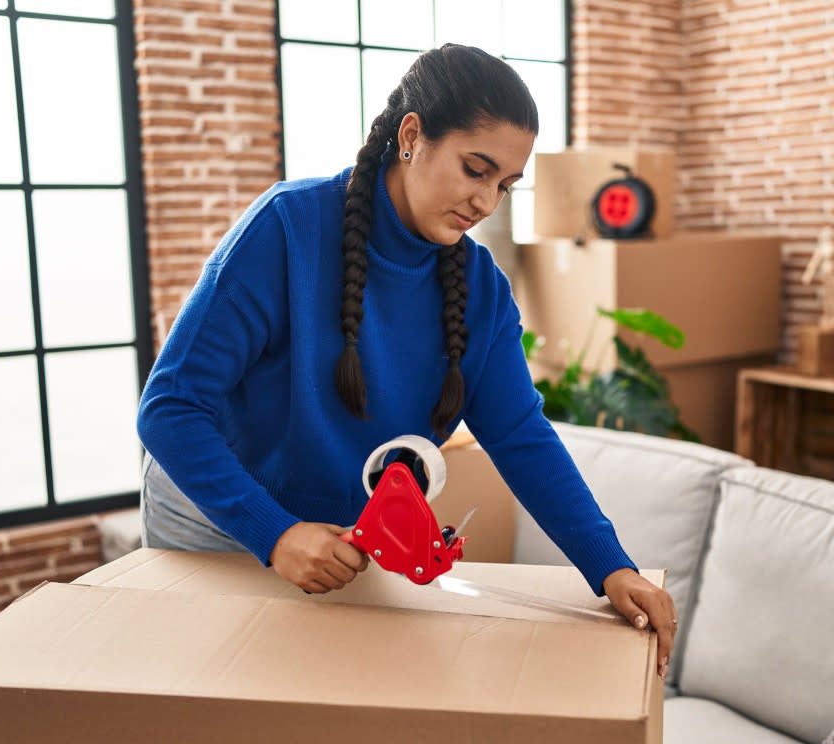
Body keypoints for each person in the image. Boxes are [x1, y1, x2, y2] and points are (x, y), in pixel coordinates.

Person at [136, 43, 678, 677]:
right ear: (412, 135)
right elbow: (170, 410)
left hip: (338, 534)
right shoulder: (286, 229)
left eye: (505, 185)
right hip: (217, 513)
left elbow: (520, 435)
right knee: (213, 719)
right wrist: (274, 532)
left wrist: (609, 565)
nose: (486, 202)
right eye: (476, 169)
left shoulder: (481, 287)